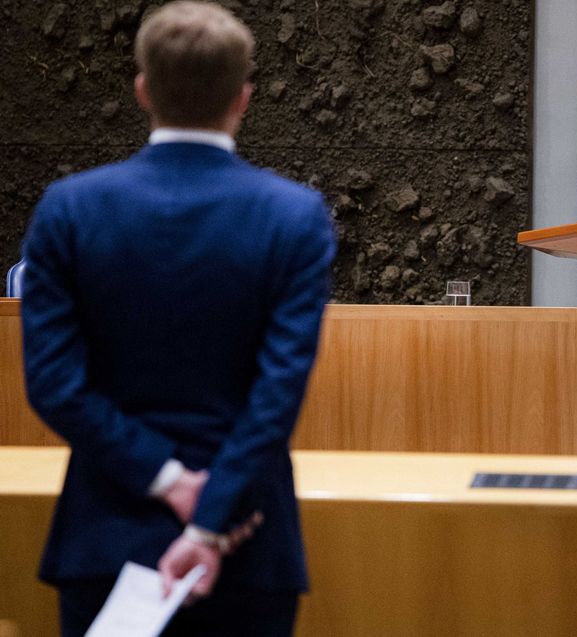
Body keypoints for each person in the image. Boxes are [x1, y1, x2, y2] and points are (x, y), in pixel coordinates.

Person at [19, 2, 336, 635]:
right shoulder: (295, 216)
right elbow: (276, 396)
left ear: (142, 89)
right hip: (247, 539)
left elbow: (55, 384)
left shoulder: (69, 209)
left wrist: (168, 481)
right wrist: (210, 512)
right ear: (243, 98)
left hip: (107, 532)